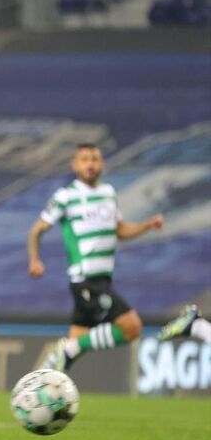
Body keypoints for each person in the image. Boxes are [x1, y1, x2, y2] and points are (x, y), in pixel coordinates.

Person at [27, 143, 164, 372]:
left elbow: (120, 231)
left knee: (70, 353)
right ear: (75, 165)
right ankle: (68, 350)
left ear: (102, 164)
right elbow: (37, 229)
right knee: (131, 328)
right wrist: (34, 260)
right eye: (84, 159)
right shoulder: (66, 196)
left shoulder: (108, 193)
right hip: (86, 279)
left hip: (103, 279)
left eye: (95, 159)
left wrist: (147, 225)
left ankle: (42, 387)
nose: (90, 164)